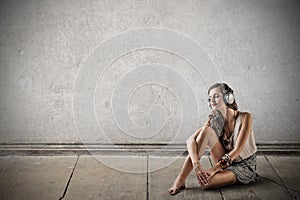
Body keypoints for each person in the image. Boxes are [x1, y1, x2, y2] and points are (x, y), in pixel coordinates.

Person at [168, 83, 258, 195]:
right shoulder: (215, 119)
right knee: (206, 132)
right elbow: (190, 140)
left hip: (243, 165)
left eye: (216, 96)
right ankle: (180, 181)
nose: (212, 100)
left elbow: (237, 151)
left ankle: (227, 175)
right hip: (223, 162)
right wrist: (197, 165)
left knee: (206, 183)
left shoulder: (245, 117)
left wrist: (212, 170)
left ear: (228, 98)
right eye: (210, 98)